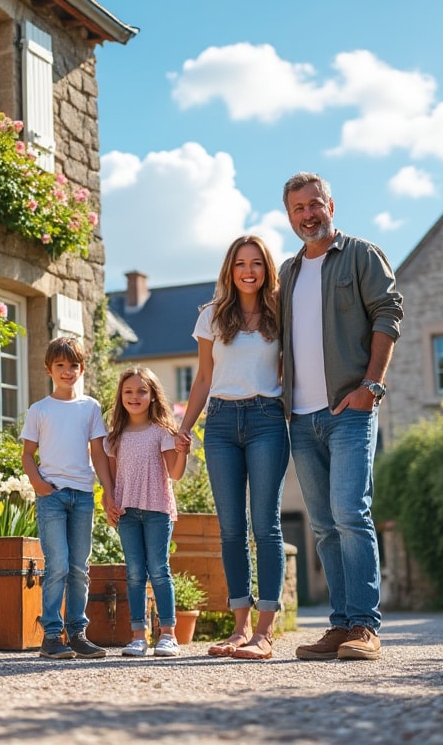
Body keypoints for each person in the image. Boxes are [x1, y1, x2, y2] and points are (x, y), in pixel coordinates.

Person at [279, 172, 403, 662]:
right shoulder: (287, 272)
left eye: (315, 204)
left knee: (351, 514)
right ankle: (340, 624)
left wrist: (371, 386)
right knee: (324, 526)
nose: (308, 215)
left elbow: (388, 313)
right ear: (289, 216)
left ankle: (365, 626)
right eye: (298, 208)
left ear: (330, 205)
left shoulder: (361, 255)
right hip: (300, 417)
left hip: (349, 410)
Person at [176, 235, 290, 661]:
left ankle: (265, 631)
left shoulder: (280, 313)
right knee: (231, 529)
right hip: (221, 423)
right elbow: (204, 378)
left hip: (267, 421)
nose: (248, 271)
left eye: (256, 263)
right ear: (230, 269)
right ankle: (239, 628)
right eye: (241, 263)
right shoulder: (211, 316)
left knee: (266, 525)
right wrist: (184, 427)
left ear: (266, 269)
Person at [21, 336, 115, 660]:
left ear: (82, 368)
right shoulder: (39, 410)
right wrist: (38, 483)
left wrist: (108, 491)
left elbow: (99, 453)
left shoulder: (90, 407)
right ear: (49, 369)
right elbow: (27, 454)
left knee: (78, 567)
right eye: (60, 365)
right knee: (57, 564)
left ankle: (77, 634)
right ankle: (51, 635)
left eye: (73, 365)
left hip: (83, 496)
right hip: (52, 497)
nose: (67, 371)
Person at [103, 367, 188, 658]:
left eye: (142, 391)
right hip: (126, 512)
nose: (135, 396)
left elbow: (175, 473)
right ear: (120, 396)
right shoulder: (115, 437)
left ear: (153, 396)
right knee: (135, 572)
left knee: (159, 570)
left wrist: (183, 451)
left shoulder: (161, 432)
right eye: (128, 391)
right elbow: (111, 479)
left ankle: (168, 635)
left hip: (157, 511)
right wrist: (108, 504)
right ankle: (138, 636)